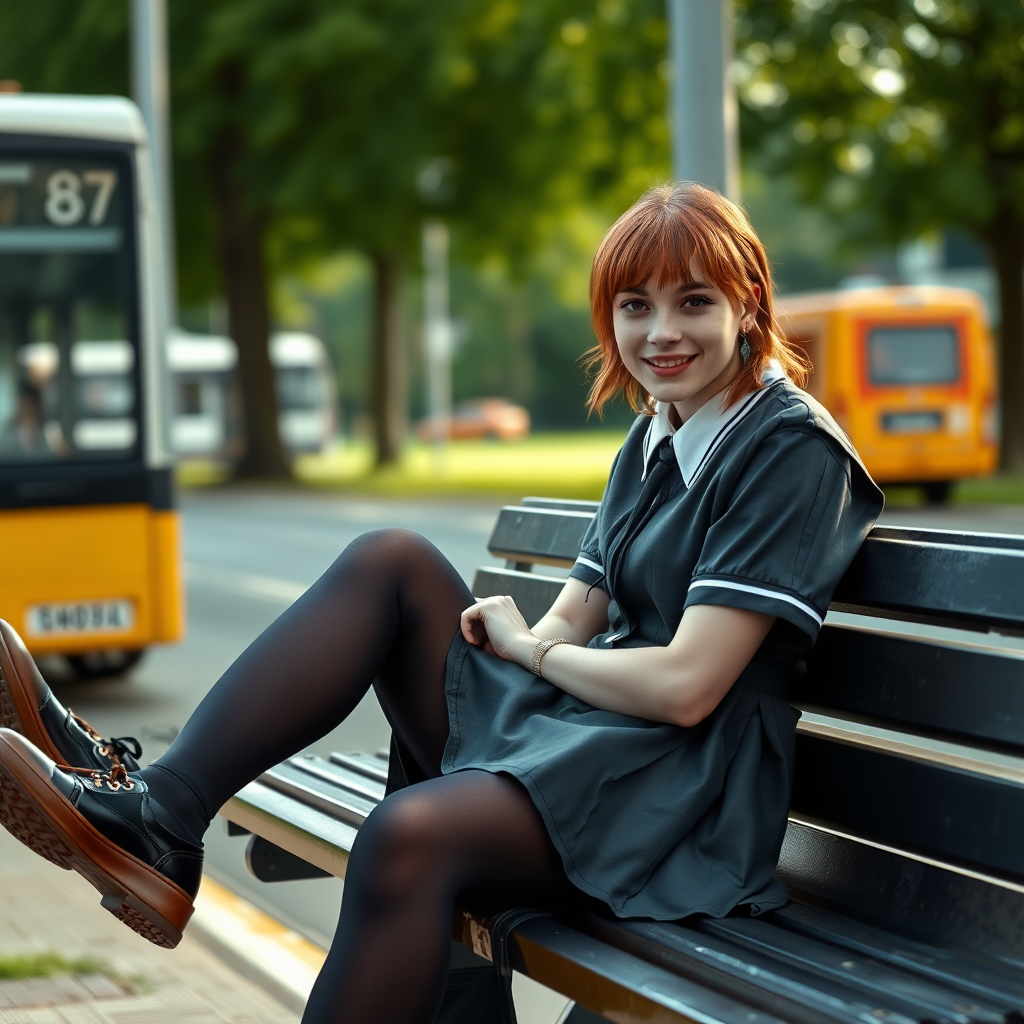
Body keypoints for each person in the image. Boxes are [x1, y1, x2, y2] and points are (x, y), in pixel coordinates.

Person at [0, 183, 882, 1024]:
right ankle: (160, 809)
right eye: (635, 306)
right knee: (392, 562)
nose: (661, 333)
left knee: (408, 835)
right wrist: (519, 638)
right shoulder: (661, 431)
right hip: (608, 743)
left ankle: (146, 808)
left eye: (694, 302)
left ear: (749, 306)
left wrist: (530, 657)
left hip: (685, 793)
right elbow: (580, 608)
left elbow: (691, 686)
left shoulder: (789, 452)